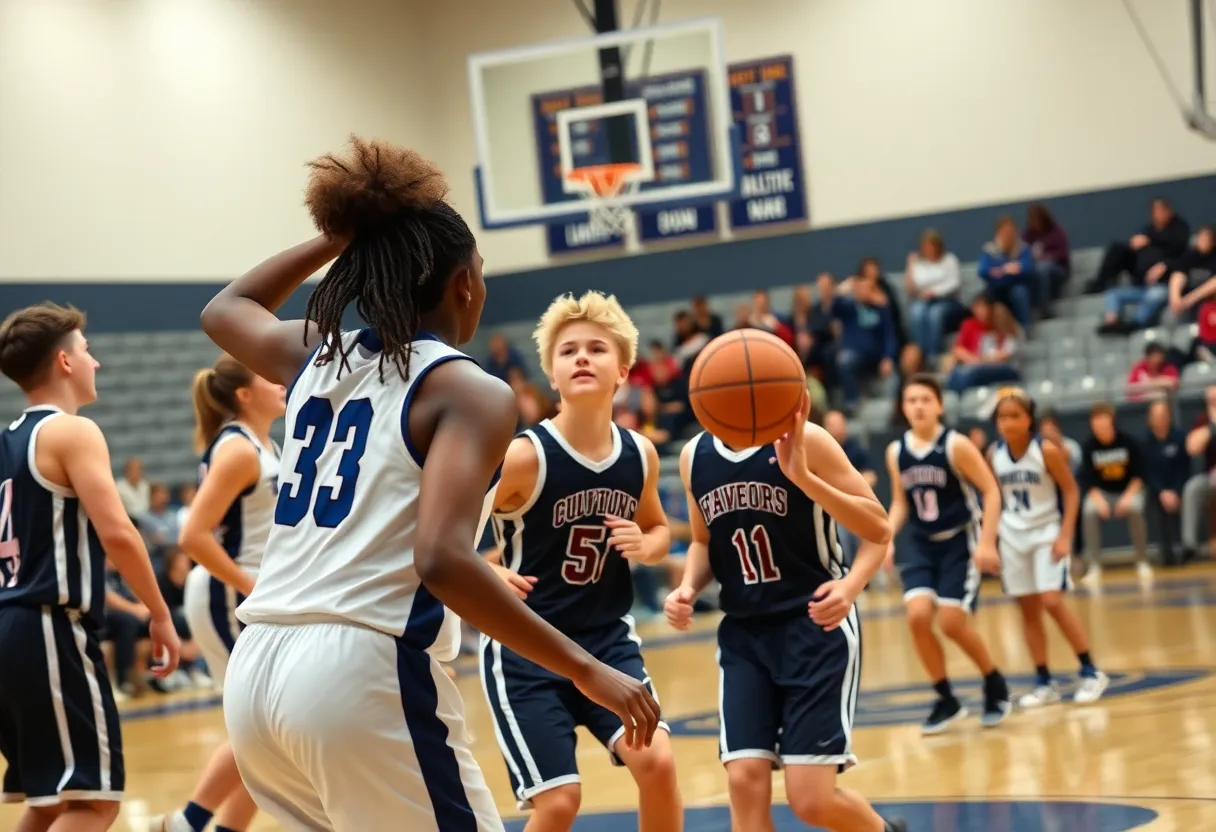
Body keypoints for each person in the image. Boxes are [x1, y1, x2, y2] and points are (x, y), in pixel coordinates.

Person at [200, 136, 659, 831]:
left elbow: (225, 308)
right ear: (464, 284)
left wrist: (338, 238)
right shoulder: (470, 389)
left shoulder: (313, 356)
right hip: (361, 663)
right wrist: (584, 668)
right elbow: (440, 558)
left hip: (258, 672)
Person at [481, 291, 682, 831]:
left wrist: (650, 546)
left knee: (658, 762)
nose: (583, 358)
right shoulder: (525, 457)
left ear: (623, 371)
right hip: (527, 648)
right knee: (560, 802)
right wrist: (489, 569)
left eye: (597, 348)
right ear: (551, 374)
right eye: (568, 351)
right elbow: (442, 529)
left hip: (606, 641)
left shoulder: (639, 453)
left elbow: (659, 528)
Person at [663, 406, 905, 832]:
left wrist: (850, 587)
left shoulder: (807, 440)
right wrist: (688, 586)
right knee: (743, 778)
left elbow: (878, 527)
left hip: (813, 627)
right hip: (743, 635)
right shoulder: (693, 456)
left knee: (810, 801)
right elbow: (704, 540)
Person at [0, 302, 181, 831]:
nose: (95, 362)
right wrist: (159, 611)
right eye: (87, 350)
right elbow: (119, 533)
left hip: (11, 626)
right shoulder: (73, 433)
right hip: (46, 628)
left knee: (51, 801)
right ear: (63, 361)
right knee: (95, 803)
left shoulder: (7, 443)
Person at [148, 357, 286, 832]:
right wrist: (252, 585)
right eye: (268, 376)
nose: (282, 380)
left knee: (271, 730)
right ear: (244, 394)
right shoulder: (239, 450)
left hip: (246, 592)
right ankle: (187, 823)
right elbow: (193, 537)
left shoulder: (265, 444)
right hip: (227, 592)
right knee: (261, 723)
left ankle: (208, 826)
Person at [885, 373, 1011, 734]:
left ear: (939, 405)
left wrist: (987, 543)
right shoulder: (897, 452)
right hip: (921, 544)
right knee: (917, 617)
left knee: (952, 622)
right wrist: (886, 538)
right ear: (903, 408)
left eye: (926, 399)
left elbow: (991, 492)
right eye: (911, 400)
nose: (918, 406)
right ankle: (946, 698)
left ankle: (993, 681)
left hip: (960, 540)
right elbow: (899, 503)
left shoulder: (955, 445)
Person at [989, 388, 1109, 707]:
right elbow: (994, 497)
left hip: (1046, 533)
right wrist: (992, 539)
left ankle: (1091, 670)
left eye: (1015, 416)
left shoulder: (1047, 451)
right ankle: (1044, 680)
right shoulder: (994, 454)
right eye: (1002, 417)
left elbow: (1071, 492)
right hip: (1013, 536)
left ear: (1029, 419)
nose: (1008, 422)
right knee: (1028, 611)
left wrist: (1065, 535)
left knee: (1052, 601)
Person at [1077, 403, 1149, 583]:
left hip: (1128, 491)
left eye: (1104, 423)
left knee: (1136, 508)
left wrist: (1127, 498)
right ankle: (1094, 566)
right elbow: (1089, 481)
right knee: (1089, 510)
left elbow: (1139, 476)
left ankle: (1142, 561)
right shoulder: (1088, 447)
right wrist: (1100, 501)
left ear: (1112, 422)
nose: (1100, 428)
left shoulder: (1129, 442)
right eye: (1096, 424)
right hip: (1103, 494)